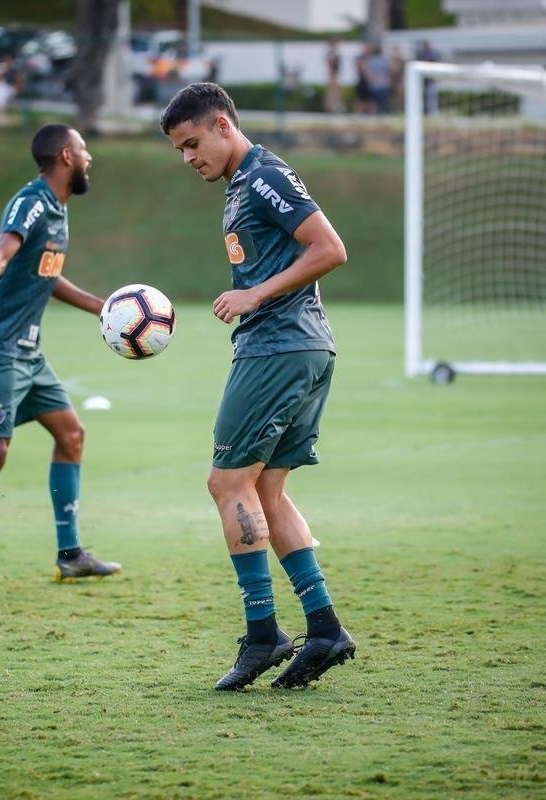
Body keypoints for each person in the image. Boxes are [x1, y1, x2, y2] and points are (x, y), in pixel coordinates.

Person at [159, 83, 355, 690]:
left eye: (193, 143)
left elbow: (330, 249)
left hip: (278, 346)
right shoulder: (244, 183)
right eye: (180, 150)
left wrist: (255, 294)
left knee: (226, 483)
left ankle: (264, 633)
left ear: (221, 124)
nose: (190, 157)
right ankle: (323, 629)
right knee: (266, 490)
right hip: (302, 347)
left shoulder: (264, 175)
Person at [0, 123, 121, 596]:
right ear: (65, 156)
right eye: (83, 150)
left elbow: (48, 276)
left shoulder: (59, 210)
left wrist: (102, 307)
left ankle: (71, 556)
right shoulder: (33, 201)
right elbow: (3, 251)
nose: (89, 157)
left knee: (71, 434)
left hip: (28, 351)